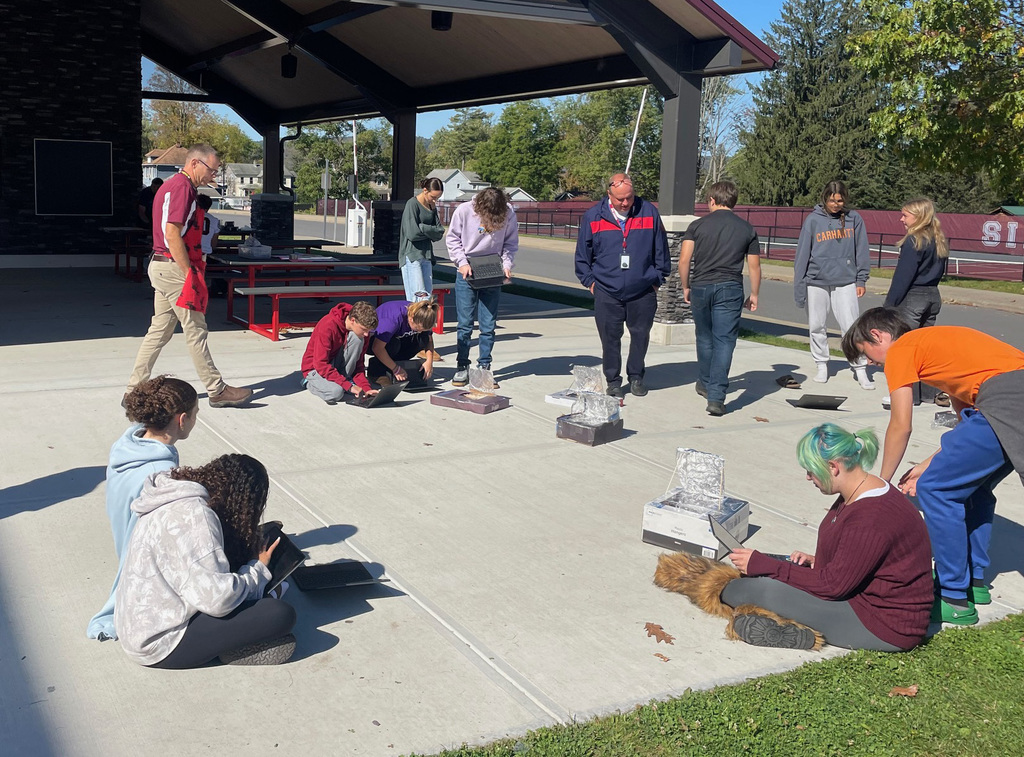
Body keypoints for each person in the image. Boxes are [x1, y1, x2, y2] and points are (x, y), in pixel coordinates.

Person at [655, 424, 933, 651]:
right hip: (864, 601)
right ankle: (786, 626)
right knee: (765, 581)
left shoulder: (870, 517)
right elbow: (858, 561)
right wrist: (815, 561)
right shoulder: (866, 490)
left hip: (883, 625)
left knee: (745, 589)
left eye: (811, 471)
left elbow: (833, 586)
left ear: (834, 467)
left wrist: (767, 565)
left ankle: (797, 632)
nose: (808, 478)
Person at [842, 308, 1024, 626]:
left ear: (877, 335)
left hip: (1006, 399)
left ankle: (954, 597)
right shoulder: (935, 349)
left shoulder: (903, 348)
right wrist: (928, 463)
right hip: (1007, 397)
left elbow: (900, 424)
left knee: (937, 490)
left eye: (866, 355)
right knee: (973, 487)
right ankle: (973, 582)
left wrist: (880, 485)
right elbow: (966, 427)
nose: (871, 364)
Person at [115, 454, 297, 668]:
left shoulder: (173, 495)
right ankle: (234, 650)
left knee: (252, 593)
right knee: (280, 613)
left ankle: (233, 640)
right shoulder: (197, 518)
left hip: (138, 624)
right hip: (160, 643)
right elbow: (218, 601)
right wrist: (258, 570)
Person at [125, 145, 252, 409]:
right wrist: (189, 273)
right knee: (195, 329)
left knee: (159, 331)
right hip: (174, 269)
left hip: (161, 265)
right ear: (195, 163)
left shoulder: (170, 187)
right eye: (211, 169)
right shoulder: (183, 189)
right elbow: (173, 233)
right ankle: (216, 389)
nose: (213, 176)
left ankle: (134, 390)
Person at [87, 376, 199, 641]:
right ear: (181, 420)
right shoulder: (158, 475)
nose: (195, 420)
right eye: (195, 414)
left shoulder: (129, 446)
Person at [574, 173, 670, 399]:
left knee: (640, 335)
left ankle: (636, 376)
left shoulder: (648, 212)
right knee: (610, 338)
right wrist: (592, 284)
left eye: (629, 197)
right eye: (620, 199)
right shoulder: (593, 217)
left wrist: (655, 280)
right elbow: (582, 257)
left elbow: (661, 252)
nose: (626, 203)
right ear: (609, 195)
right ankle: (613, 380)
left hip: (642, 291)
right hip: (607, 292)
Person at [678, 180, 761, 416]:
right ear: (733, 201)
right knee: (724, 340)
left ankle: (704, 382)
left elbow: (684, 260)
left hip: (701, 286)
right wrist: (754, 293)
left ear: (712, 200)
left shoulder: (697, 225)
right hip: (730, 287)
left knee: (704, 337)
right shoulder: (746, 229)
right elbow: (754, 267)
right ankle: (716, 396)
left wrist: (686, 286)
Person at [793, 180, 873, 389]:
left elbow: (862, 250)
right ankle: (822, 364)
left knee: (851, 326)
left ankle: (860, 368)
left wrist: (861, 278)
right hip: (816, 281)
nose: (836, 204)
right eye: (831, 200)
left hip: (846, 280)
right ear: (825, 199)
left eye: (839, 200)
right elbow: (802, 255)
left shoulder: (855, 219)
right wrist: (800, 287)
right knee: (817, 325)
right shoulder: (813, 221)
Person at [445, 187, 519, 386]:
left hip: (493, 268)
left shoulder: (509, 212)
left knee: (488, 325)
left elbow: (511, 244)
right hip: (468, 268)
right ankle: (462, 366)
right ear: (480, 209)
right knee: (465, 324)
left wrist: (506, 265)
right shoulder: (464, 211)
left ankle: (484, 367)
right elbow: (452, 239)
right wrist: (462, 263)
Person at [883, 197, 950, 407]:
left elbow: (903, 277)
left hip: (914, 296)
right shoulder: (938, 238)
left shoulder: (914, 240)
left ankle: (904, 395)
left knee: (904, 348)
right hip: (932, 295)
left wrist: (889, 307)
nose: (901, 219)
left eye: (905, 215)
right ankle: (927, 393)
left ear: (919, 217)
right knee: (924, 349)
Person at [300, 301, 380, 404]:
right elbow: (320, 364)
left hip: (335, 366)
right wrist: (348, 386)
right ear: (353, 320)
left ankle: (343, 380)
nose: (366, 334)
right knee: (336, 393)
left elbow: (358, 364)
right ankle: (309, 382)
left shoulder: (362, 334)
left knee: (357, 339)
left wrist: (366, 388)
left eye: (369, 331)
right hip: (315, 367)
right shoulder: (328, 325)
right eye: (364, 329)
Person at [367, 299, 440, 386]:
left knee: (422, 340)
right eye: (417, 329)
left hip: (397, 338)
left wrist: (429, 361)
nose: (419, 332)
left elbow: (429, 340)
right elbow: (377, 348)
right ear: (411, 318)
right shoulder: (393, 319)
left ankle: (392, 365)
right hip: (373, 341)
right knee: (393, 345)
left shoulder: (423, 316)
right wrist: (395, 369)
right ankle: (376, 372)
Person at [400, 178, 446, 301]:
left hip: (426, 255)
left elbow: (440, 232)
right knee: (418, 298)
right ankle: (415, 320)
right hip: (412, 255)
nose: (435, 200)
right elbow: (412, 234)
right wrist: (430, 232)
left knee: (428, 297)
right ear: (425, 190)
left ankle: (425, 320)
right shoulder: (412, 204)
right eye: (433, 197)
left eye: (438, 198)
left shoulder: (432, 206)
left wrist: (422, 227)